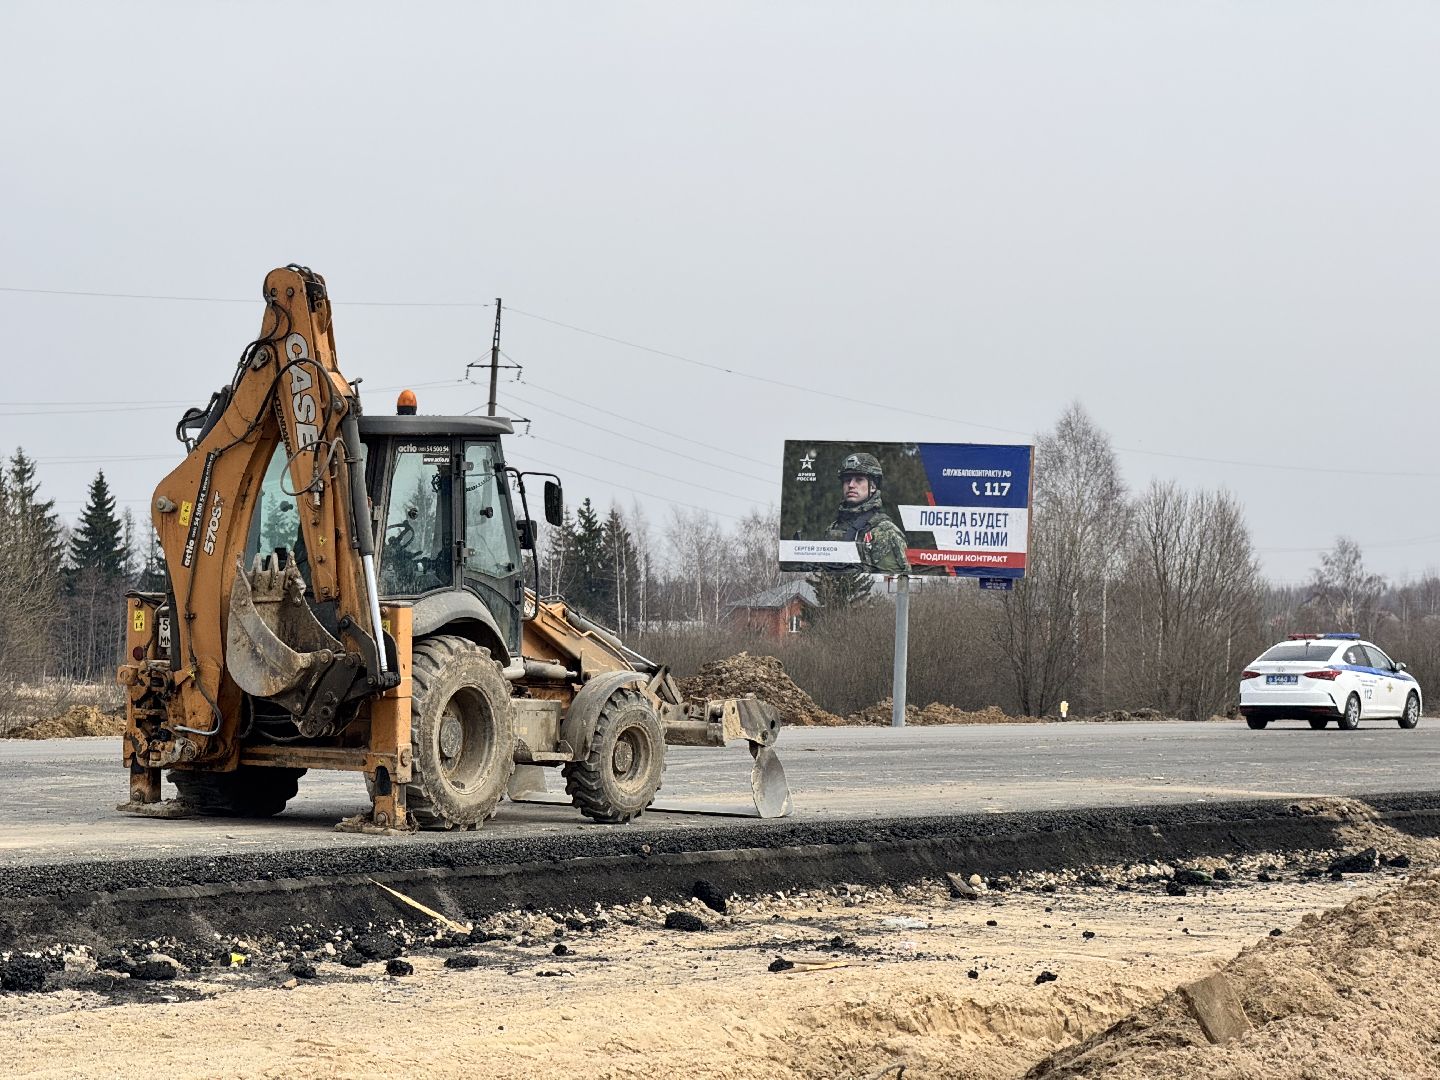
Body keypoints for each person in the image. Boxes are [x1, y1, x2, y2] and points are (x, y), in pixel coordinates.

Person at [825, 452, 908, 574]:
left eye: (859, 480)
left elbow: (895, 586)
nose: (851, 485)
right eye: (847, 480)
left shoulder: (885, 532)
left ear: (873, 486)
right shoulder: (833, 527)